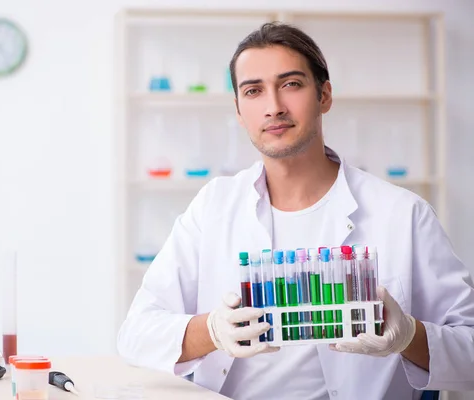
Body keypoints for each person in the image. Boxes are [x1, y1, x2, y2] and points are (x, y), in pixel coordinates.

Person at [116, 22, 474, 399]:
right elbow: (136, 334)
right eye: (253, 91)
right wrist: (214, 330)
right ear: (239, 111)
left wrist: (409, 336)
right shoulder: (213, 207)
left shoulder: (404, 215)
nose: (274, 107)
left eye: (291, 84)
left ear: (324, 96)